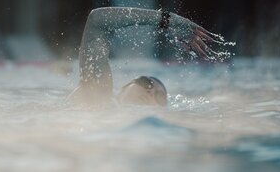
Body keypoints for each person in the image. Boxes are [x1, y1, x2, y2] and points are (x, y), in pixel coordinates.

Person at [68, 7, 221, 107]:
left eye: (160, 96)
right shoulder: (98, 97)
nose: (150, 92)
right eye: (146, 83)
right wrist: (166, 19)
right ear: (123, 89)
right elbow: (97, 20)